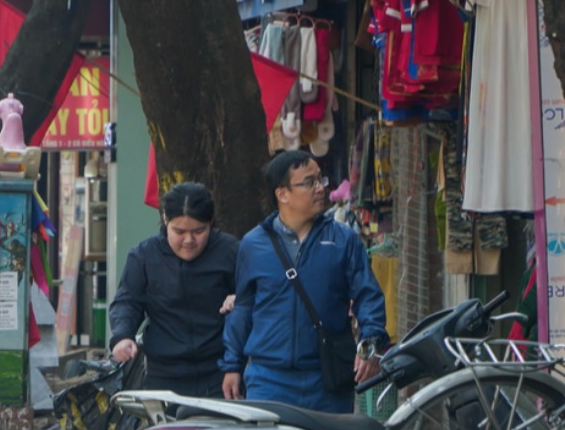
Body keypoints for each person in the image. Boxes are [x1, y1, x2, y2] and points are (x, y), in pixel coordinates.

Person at [220, 151, 388, 414]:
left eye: (321, 180)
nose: (321, 188)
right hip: (269, 380)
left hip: (327, 380)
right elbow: (244, 308)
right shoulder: (253, 245)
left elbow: (369, 296)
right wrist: (232, 365)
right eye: (309, 183)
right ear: (282, 194)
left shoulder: (343, 239)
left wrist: (371, 342)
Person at [108, 182, 239, 397]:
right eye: (179, 231)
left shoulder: (230, 251)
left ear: (211, 223)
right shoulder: (144, 256)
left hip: (220, 371)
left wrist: (238, 299)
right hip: (164, 375)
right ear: (165, 221)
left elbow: (254, 299)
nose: (189, 240)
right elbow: (127, 302)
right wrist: (123, 336)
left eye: (199, 231)